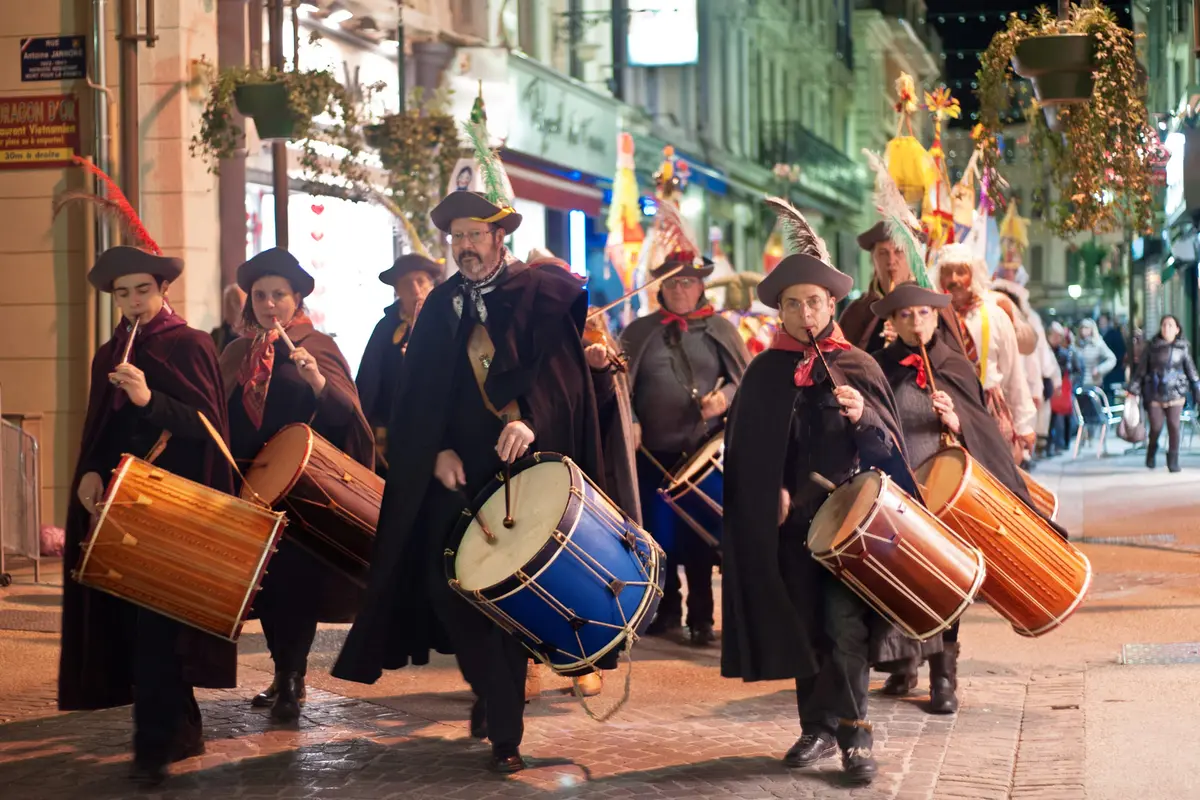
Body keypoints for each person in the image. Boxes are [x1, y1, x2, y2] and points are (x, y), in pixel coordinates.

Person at [332, 173, 611, 773]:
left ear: (499, 235)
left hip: (520, 471)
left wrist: (532, 421)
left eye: (476, 233)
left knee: (505, 594)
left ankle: (505, 732)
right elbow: (414, 398)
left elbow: (565, 386)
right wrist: (431, 453)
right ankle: (492, 693)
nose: (465, 244)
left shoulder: (540, 294)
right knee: (446, 588)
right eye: (457, 234)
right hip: (453, 476)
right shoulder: (437, 306)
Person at [721, 202, 918, 786]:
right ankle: (818, 725)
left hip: (849, 525)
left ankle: (856, 736)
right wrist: (771, 493)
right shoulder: (763, 372)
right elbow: (750, 452)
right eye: (792, 303)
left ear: (831, 305)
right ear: (779, 310)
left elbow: (891, 453)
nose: (804, 312)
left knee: (844, 627)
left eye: (814, 302)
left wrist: (864, 420)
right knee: (803, 624)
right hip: (790, 527)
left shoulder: (856, 365)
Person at [59, 245, 235, 786]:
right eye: (122, 293)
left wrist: (147, 397)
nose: (133, 302)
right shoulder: (109, 350)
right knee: (133, 624)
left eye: (143, 290)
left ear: (162, 291)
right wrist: (89, 470)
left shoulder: (191, 344)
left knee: (159, 625)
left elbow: (207, 427)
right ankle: (178, 726)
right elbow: (98, 427)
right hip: (121, 501)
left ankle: (153, 746)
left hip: (175, 503)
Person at [871, 280, 1058, 712]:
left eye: (923, 313)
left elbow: (982, 431)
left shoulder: (953, 364)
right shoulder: (880, 366)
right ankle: (903, 665)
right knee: (902, 580)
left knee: (946, 583)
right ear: (892, 322)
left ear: (936, 317)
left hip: (945, 492)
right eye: (905, 315)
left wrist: (957, 422)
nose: (915, 322)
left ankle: (943, 678)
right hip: (901, 489)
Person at [220, 247, 373, 724]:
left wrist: (318, 384)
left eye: (279, 296)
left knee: (294, 585)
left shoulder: (318, 346)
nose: (269, 305)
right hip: (249, 486)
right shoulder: (236, 351)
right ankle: (282, 671)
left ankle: (292, 677)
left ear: (296, 298)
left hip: (299, 492)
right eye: (261, 296)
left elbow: (348, 418)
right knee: (263, 589)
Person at [621, 251, 748, 646]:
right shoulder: (639, 331)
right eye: (672, 282)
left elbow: (742, 379)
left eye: (687, 282)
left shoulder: (721, 330)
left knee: (699, 539)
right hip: (651, 453)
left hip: (701, 454)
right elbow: (620, 388)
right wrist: (633, 422)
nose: (679, 289)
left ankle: (702, 617)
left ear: (701, 286)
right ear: (660, 286)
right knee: (659, 537)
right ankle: (666, 611)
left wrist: (724, 399)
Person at [933, 243, 1036, 464]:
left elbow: (1014, 374)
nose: (954, 279)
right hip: (949, 411)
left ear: (974, 275)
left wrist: (1024, 424)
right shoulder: (931, 317)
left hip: (991, 410)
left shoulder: (995, 315)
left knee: (1000, 479)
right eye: (947, 272)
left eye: (961, 271)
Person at [357, 252, 444, 476]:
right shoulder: (386, 328)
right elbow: (368, 382)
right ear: (396, 291)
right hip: (392, 433)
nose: (416, 290)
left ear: (432, 284)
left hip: (439, 434)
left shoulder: (449, 322)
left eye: (421, 281)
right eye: (407, 284)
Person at [839, 221, 966, 355]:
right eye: (883, 253)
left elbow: (951, 365)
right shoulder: (857, 311)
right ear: (873, 259)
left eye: (899, 251)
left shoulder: (935, 305)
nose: (891, 261)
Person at [1129, 314, 1200, 472]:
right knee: (1156, 427)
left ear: (1177, 329)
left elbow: (1191, 371)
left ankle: (1173, 460)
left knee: (1174, 426)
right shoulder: (1151, 348)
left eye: (1170, 325)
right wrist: (1133, 390)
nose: (1166, 328)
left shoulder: (1182, 348)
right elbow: (1140, 371)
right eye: (1164, 325)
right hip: (1155, 393)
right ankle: (1151, 451)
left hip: (1176, 393)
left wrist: (1196, 388)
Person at [1075, 318, 1117, 391]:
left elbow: (1112, 359)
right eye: (1082, 327)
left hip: (1093, 384)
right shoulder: (1076, 344)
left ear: (1092, 329)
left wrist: (1099, 369)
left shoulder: (1098, 343)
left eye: (1086, 328)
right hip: (1078, 385)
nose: (1083, 330)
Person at [210, 284, 246, 353]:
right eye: (228, 302)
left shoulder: (255, 335)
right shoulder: (217, 335)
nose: (232, 306)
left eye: (236, 301)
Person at [1098, 312, 1128, 395]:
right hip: (1110, 374)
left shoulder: (1113, 335)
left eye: (1103, 322)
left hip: (1114, 373)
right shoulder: (1103, 336)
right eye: (1100, 322)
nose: (1101, 324)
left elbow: (1120, 353)